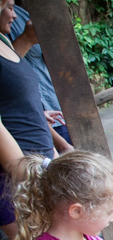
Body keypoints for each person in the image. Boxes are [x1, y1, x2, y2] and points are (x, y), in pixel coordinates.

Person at [9, 4, 73, 148]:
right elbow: (6, 70)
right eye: (7, 7)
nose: (12, 14)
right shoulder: (10, 15)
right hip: (28, 121)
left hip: (54, 109)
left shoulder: (28, 13)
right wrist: (26, 40)